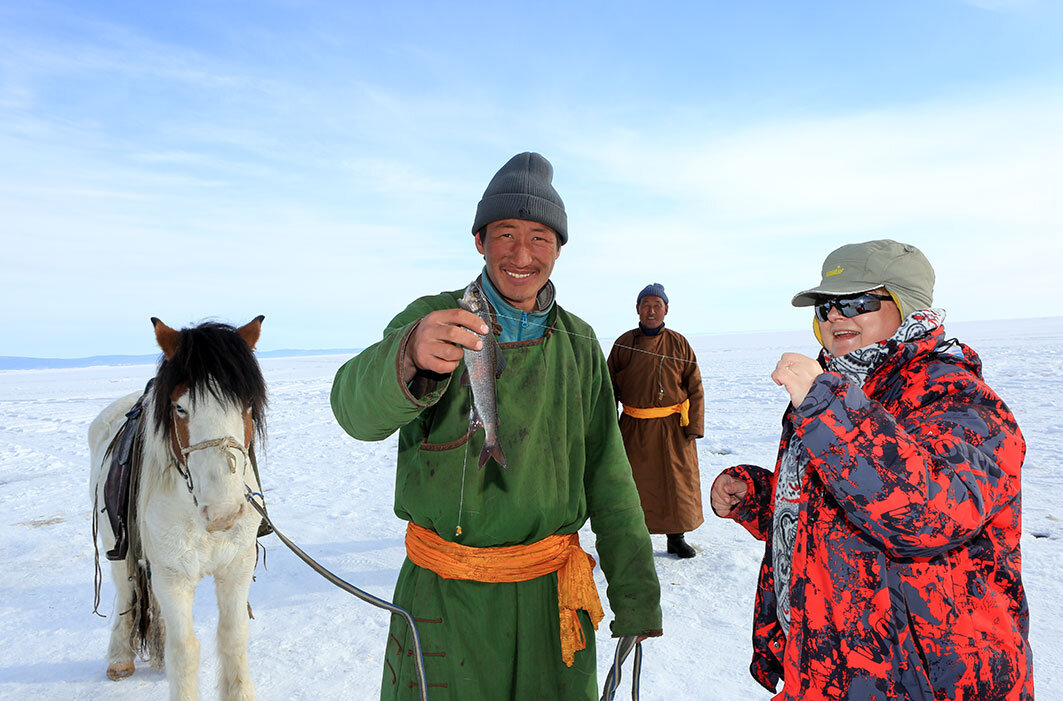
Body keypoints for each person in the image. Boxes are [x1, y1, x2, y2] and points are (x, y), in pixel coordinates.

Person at [331, 152, 662, 700]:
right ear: (480, 240)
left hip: (552, 603)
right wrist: (408, 355)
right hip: (445, 599)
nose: (522, 254)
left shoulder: (578, 343)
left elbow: (608, 473)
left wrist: (634, 592)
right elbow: (353, 410)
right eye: (505, 234)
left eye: (540, 238)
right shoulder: (436, 317)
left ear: (558, 249)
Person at [710, 240, 1032, 700]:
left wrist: (826, 409)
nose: (835, 317)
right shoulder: (836, 392)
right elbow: (833, 519)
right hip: (830, 672)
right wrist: (759, 496)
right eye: (825, 307)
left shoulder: (959, 398)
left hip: (927, 682)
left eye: (857, 302)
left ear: (907, 305)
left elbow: (928, 516)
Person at [607, 283, 704, 559]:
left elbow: (695, 386)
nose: (651, 310)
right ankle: (632, 542)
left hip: (674, 428)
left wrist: (694, 426)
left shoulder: (679, 343)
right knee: (632, 485)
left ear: (666, 309)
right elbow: (608, 389)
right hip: (633, 427)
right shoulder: (624, 344)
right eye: (646, 305)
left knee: (676, 485)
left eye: (656, 305)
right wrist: (608, 426)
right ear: (638, 309)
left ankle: (676, 538)